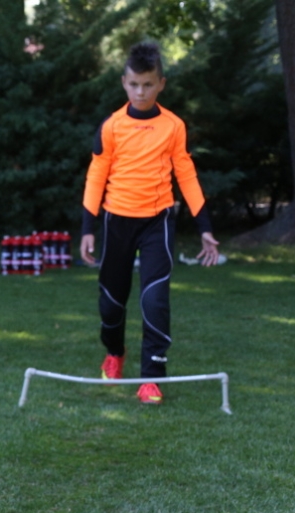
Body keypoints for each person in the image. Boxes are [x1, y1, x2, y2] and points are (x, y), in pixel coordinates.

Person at [80, 42, 220, 405]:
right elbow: (96, 175)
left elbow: (186, 174)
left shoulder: (173, 126)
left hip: (158, 221)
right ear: (123, 82)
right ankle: (114, 353)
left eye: (148, 84)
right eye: (133, 85)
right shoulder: (111, 126)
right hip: (116, 221)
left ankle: (151, 379)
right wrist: (87, 228)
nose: (140, 92)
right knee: (111, 303)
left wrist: (204, 226)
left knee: (155, 300)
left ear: (161, 84)